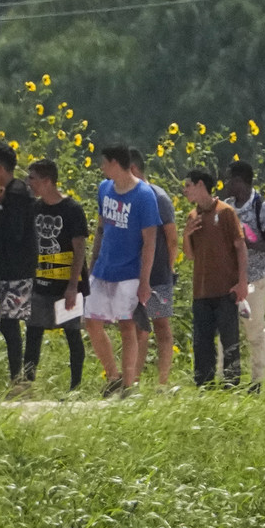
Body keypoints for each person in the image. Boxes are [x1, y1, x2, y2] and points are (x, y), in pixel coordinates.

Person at [85, 144, 160, 396]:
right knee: (92, 322)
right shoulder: (104, 189)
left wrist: (145, 281)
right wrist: (92, 263)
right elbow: (102, 228)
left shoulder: (144, 195)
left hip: (130, 272)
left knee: (127, 327)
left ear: (116, 163)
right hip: (103, 268)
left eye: (104, 163)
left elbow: (150, 240)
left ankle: (128, 385)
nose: (101, 167)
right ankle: (113, 376)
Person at [23, 159, 88, 391]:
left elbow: (79, 249)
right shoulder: (34, 208)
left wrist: (72, 286)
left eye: (32, 178)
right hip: (40, 283)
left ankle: (76, 388)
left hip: (67, 285)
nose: (29, 183)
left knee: (72, 334)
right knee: (33, 333)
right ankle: (26, 385)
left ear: (47, 181)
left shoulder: (72, 210)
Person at [182, 169, 249, 388]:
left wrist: (242, 282)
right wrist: (186, 235)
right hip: (201, 292)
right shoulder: (193, 216)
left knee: (229, 341)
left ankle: (232, 386)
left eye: (188, 185)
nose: (185, 191)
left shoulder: (226, 212)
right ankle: (204, 386)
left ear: (200, 184)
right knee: (202, 343)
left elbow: (240, 247)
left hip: (225, 291)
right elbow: (190, 256)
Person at [224, 160, 265, 393]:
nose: (226, 184)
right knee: (226, 332)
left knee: (254, 331)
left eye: (230, 179)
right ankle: (227, 378)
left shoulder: (262, 208)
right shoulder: (226, 207)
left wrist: (253, 245)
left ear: (241, 181)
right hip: (230, 280)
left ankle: (257, 381)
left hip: (255, 279)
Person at [0, 143, 37, 385]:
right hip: (8, 270)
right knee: (8, 324)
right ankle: (19, 376)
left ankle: (20, 378)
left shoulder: (16, 193)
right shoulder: (8, 191)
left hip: (17, 269)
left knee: (10, 324)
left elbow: (15, 232)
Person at [127, 148, 177, 386]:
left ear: (133, 169)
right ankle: (133, 380)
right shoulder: (126, 197)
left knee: (161, 326)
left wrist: (167, 269)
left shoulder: (159, 197)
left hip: (157, 275)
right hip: (131, 275)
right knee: (137, 327)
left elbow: (172, 238)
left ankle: (163, 383)